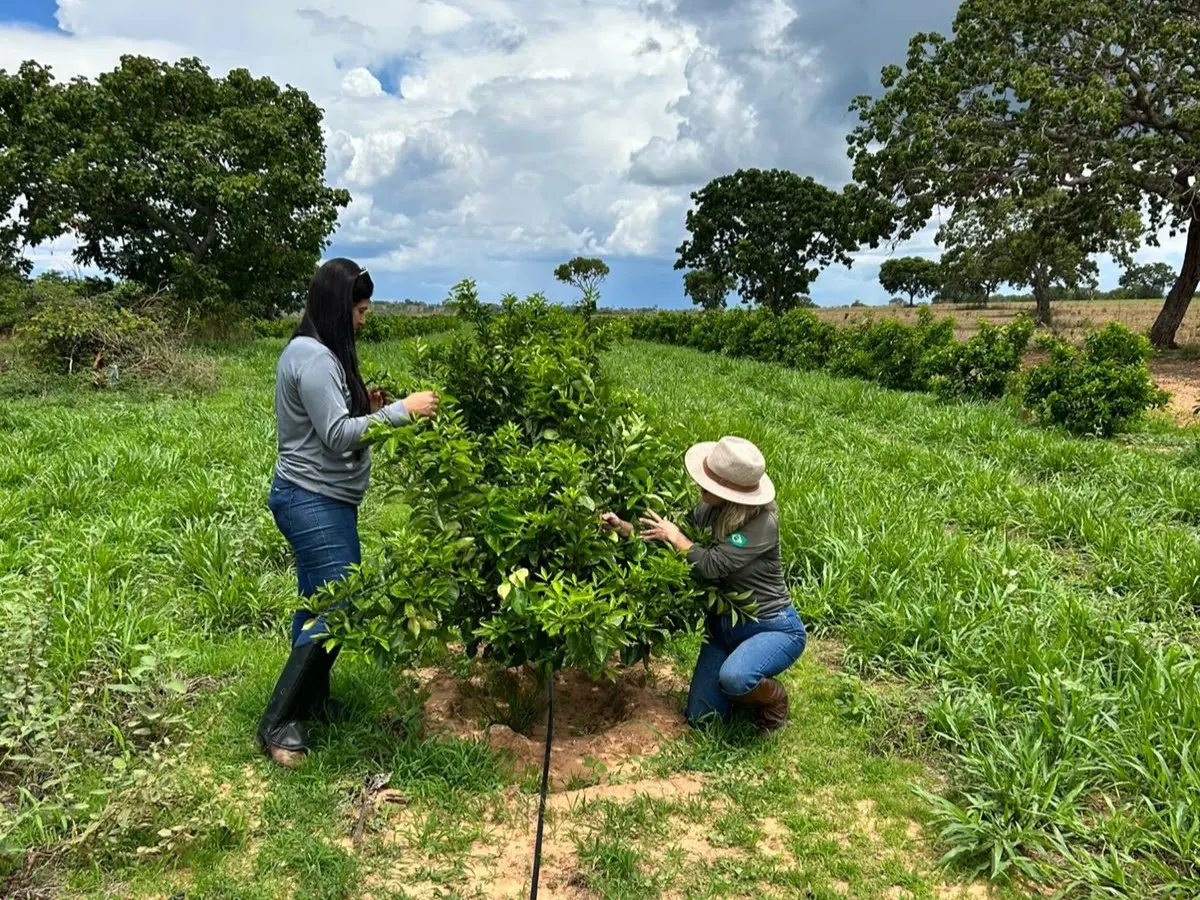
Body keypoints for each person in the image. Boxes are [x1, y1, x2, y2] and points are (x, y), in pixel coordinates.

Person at [257, 258, 439, 768]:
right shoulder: (313, 358)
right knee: (338, 605)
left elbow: (330, 420)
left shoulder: (313, 354)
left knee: (317, 604)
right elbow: (336, 435)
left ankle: (307, 705)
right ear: (339, 307)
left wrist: (367, 407)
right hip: (312, 500)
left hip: (320, 499)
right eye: (359, 309)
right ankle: (276, 722)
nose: (364, 319)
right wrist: (400, 410)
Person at [601, 436, 806, 734]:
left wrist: (679, 539)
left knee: (735, 677)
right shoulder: (711, 509)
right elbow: (667, 537)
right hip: (723, 629)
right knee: (702, 719)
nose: (702, 485)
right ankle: (738, 684)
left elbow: (711, 565)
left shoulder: (763, 524)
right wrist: (623, 528)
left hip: (771, 626)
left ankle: (772, 700)